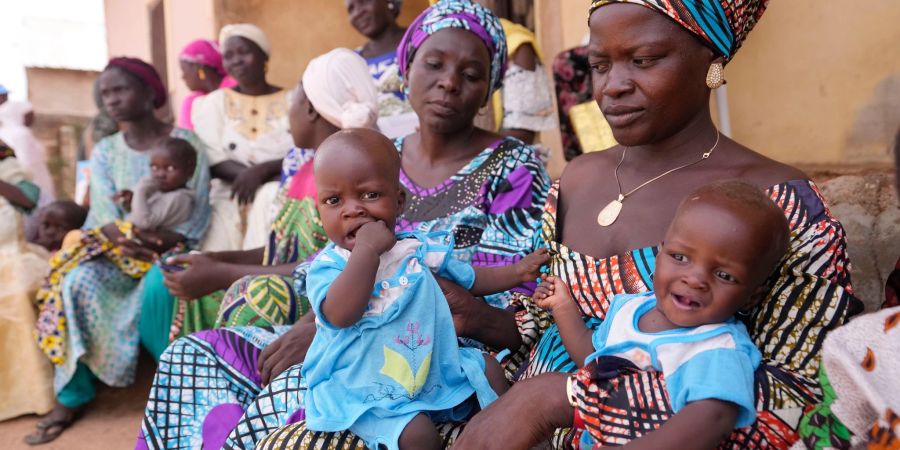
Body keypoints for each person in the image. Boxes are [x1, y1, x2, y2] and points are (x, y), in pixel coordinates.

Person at [139, 3, 550, 449]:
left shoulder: (514, 166)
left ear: (490, 86)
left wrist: (329, 328)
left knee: (291, 399)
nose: (449, 82)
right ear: (407, 67)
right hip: (347, 319)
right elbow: (329, 258)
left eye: (471, 74)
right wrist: (317, 319)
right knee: (191, 357)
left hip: (436, 345)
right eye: (434, 64)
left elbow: (507, 295)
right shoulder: (374, 152)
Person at [453, 1, 860, 449]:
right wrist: (476, 318)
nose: (613, 87)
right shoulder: (576, 178)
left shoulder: (777, 202)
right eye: (599, 65)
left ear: (711, 59)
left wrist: (559, 399)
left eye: (643, 61)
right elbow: (538, 323)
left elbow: (801, 399)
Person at [304, 129, 547, 450]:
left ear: (399, 200)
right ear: (320, 210)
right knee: (418, 435)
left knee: (488, 369)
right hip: (364, 387)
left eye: (370, 195)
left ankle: (508, 437)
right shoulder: (329, 267)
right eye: (333, 201)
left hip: (429, 369)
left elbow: (470, 278)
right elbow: (340, 314)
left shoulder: (416, 249)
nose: (352, 210)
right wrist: (366, 252)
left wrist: (517, 273)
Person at [133, 47, 379, 363]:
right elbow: (281, 249)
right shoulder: (303, 166)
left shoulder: (351, 170)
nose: (286, 116)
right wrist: (213, 259)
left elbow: (328, 264)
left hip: (328, 294)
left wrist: (223, 273)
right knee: (187, 280)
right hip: (293, 277)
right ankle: (202, 388)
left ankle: (247, 390)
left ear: (311, 110)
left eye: (293, 102)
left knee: (255, 294)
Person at [24, 57, 211, 445]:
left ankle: (176, 386)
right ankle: (72, 395)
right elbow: (104, 215)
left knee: (165, 282)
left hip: (171, 245)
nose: (111, 99)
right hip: (119, 250)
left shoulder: (186, 142)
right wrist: (125, 239)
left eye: (121, 89)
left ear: (149, 92)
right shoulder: (106, 149)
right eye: (105, 92)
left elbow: (199, 206)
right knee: (74, 281)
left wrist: (163, 240)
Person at [535, 180, 789, 447]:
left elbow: (712, 420)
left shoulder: (716, 346)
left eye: (724, 275)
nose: (694, 279)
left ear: (752, 296)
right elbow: (590, 357)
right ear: (660, 253)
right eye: (680, 257)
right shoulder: (628, 310)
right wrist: (562, 307)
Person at [192, 23, 292, 251]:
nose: (236, 60)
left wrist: (262, 171)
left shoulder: (293, 99)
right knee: (214, 259)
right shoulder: (213, 103)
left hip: (280, 195)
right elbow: (211, 155)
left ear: (263, 56)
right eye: (228, 55)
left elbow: (305, 151)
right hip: (229, 196)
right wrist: (248, 177)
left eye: (244, 52)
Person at [0, 138, 55, 422]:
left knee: (16, 296)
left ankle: (35, 396)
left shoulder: (8, 166)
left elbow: (30, 200)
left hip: (12, 256)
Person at [346, 0, 418, 138]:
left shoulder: (419, 40)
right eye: (351, 9)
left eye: (363, 2)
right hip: (378, 148)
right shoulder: (352, 60)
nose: (357, 13)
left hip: (424, 141)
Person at [113, 137, 197, 231]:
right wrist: (131, 200)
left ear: (190, 171)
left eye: (170, 168)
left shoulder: (180, 198)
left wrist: (140, 191)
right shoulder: (160, 191)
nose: (160, 174)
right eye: (154, 167)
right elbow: (139, 212)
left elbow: (142, 222)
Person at [0, 99, 56, 208]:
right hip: (32, 178)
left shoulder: (3, 132)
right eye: (29, 115)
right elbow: (24, 162)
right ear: (18, 115)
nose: (33, 118)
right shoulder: (21, 134)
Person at [177, 39, 235, 130]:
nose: (182, 76)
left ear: (198, 67)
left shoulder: (235, 90)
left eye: (184, 70)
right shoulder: (190, 103)